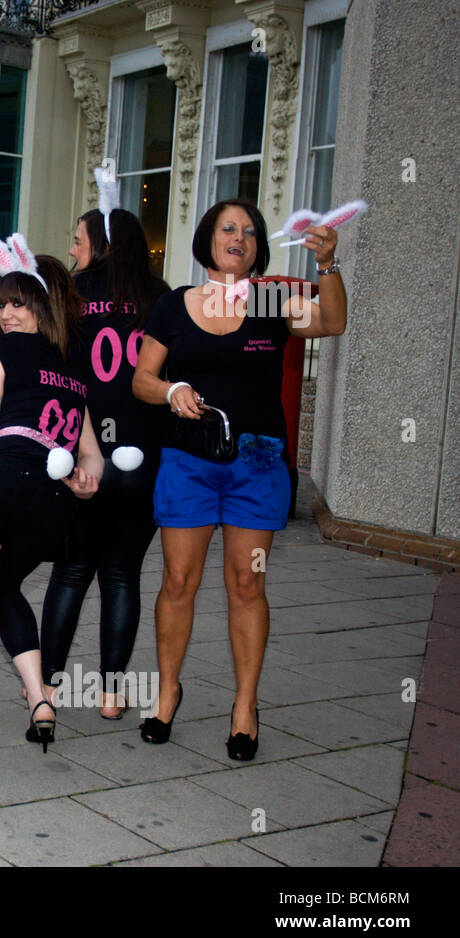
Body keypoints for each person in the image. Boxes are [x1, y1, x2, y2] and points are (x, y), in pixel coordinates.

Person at [131, 198, 347, 761]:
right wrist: (171, 390)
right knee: (179, 582)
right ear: (208, 239)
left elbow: (332, 322)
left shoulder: (273, 300)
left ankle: (245, 705)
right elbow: (141, 380)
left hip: (255, 464)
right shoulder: (174, 307)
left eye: (250, 232)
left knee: (247, 585)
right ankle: (167, 691)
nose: (239, 237)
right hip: (187, 462)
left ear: (258, 249)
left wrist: (328, 265)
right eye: (229, 228)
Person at [0, 250, 101, 753]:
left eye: (20, 305)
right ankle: (40, 700)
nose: (7, 315)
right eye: (3, 305)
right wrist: (85, 482)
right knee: (4, 585)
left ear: (43, 308)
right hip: (54, 500)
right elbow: (92, 456)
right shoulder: (73, 371)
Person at [40, 207, 170, 718]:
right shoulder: (161, 297)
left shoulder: (71, 295)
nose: (72, 249)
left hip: (82, 449)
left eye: (78, 240)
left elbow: (52, 372)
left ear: (100, 242)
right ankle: (113, 694)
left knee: (71, 571)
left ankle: (47, 689)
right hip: (143, 455)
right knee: (123, 574)